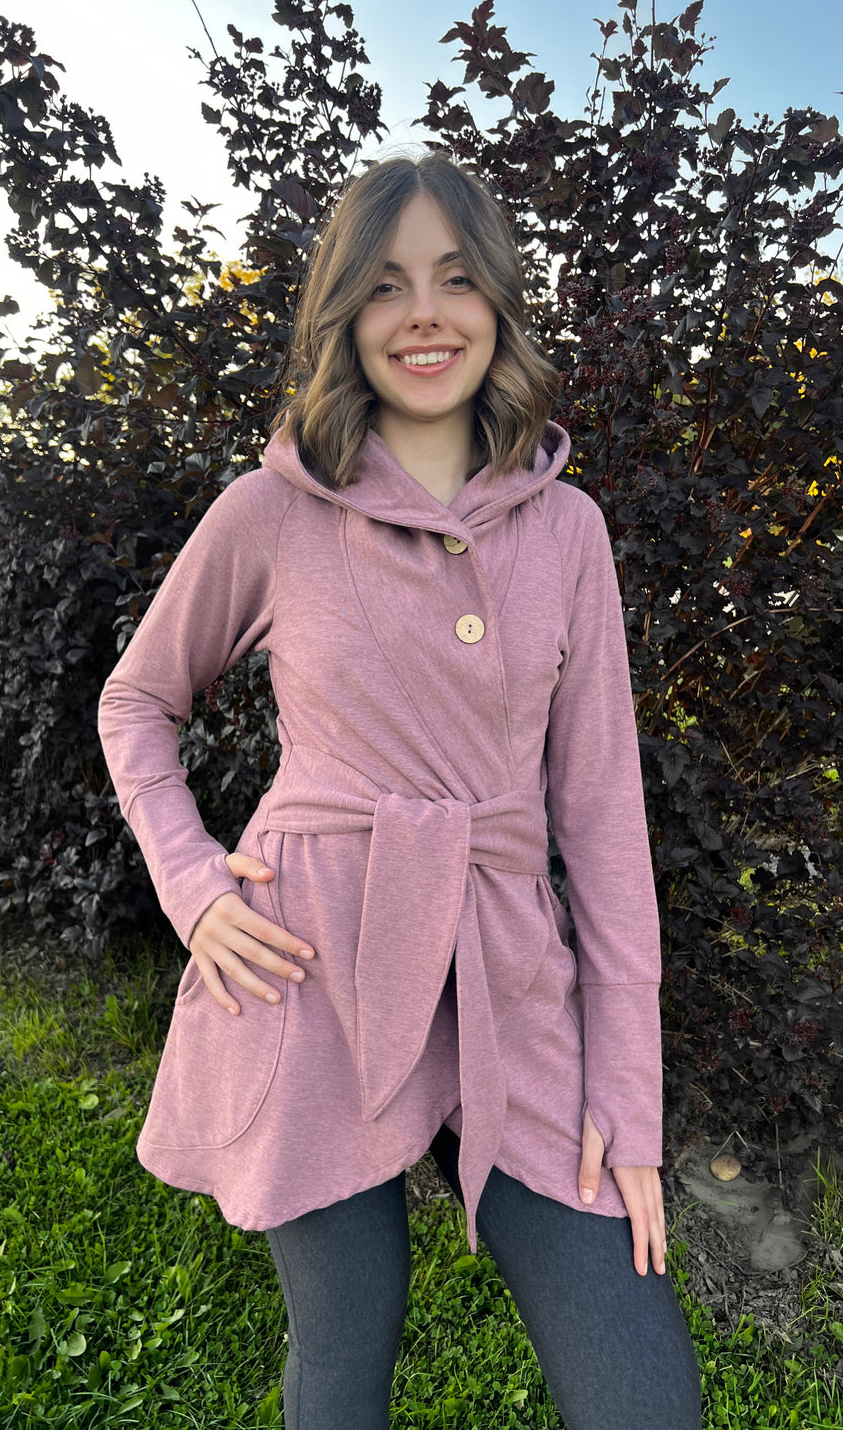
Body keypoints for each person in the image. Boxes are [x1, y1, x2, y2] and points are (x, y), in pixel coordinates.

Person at [97, 152, 703, 1430]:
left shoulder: (568, 531)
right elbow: (135, 700)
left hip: (506, 973)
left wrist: (629, 1104)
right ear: (342, 317)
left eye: (453, 278)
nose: (423, 313)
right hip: (309, 970)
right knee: (344, 1349)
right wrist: (194, 884)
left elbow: (602, 827)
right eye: (383, 285)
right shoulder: (270, 512)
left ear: (497, 302)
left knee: (640, 1388)